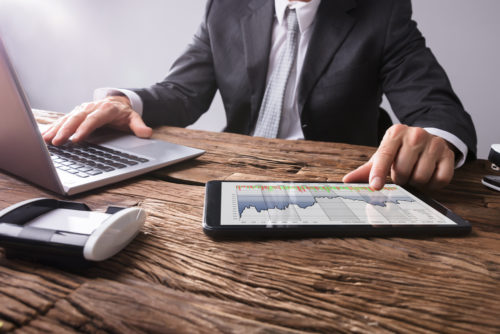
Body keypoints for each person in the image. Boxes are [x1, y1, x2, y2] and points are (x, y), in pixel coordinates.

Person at [42, 0, 477, 191]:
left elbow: (435, 108)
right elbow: (182, 91)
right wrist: (125, 101)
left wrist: (435, 137)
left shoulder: (381, 12)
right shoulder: (226, 6)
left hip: (339, 181)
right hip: (233, 169)